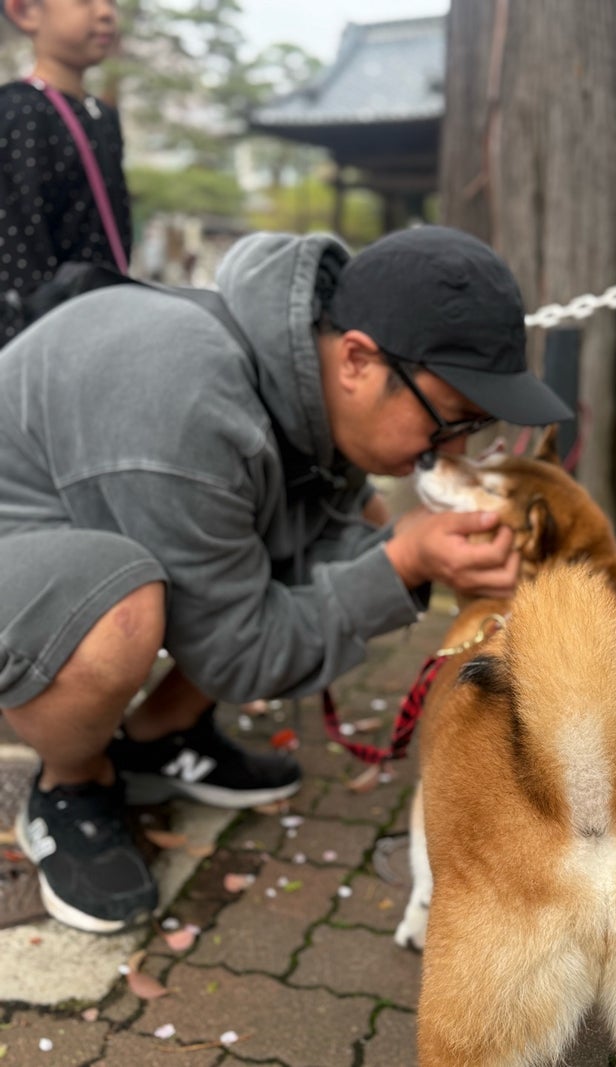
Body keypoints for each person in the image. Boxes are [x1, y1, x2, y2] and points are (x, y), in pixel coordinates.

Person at [0, 224, 572, 933]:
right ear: (358, 359)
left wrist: (403, 554)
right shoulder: (191, 404)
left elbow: (328, 542)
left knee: (353, 517)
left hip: (86, 517)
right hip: (19, 541)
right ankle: (71, 784)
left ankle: (158, 738)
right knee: (119, 610)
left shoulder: (301, 374)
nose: (451, 453)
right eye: (449, 422)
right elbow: (242, 654)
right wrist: (404, 561)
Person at [0, 0, 131, 345]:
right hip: (47, 341)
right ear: (26, 11)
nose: (105, 13)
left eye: (111, 2)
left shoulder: (102, 116)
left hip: (106, 324)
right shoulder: (18, 111)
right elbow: (18, 253)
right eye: (85, 1)